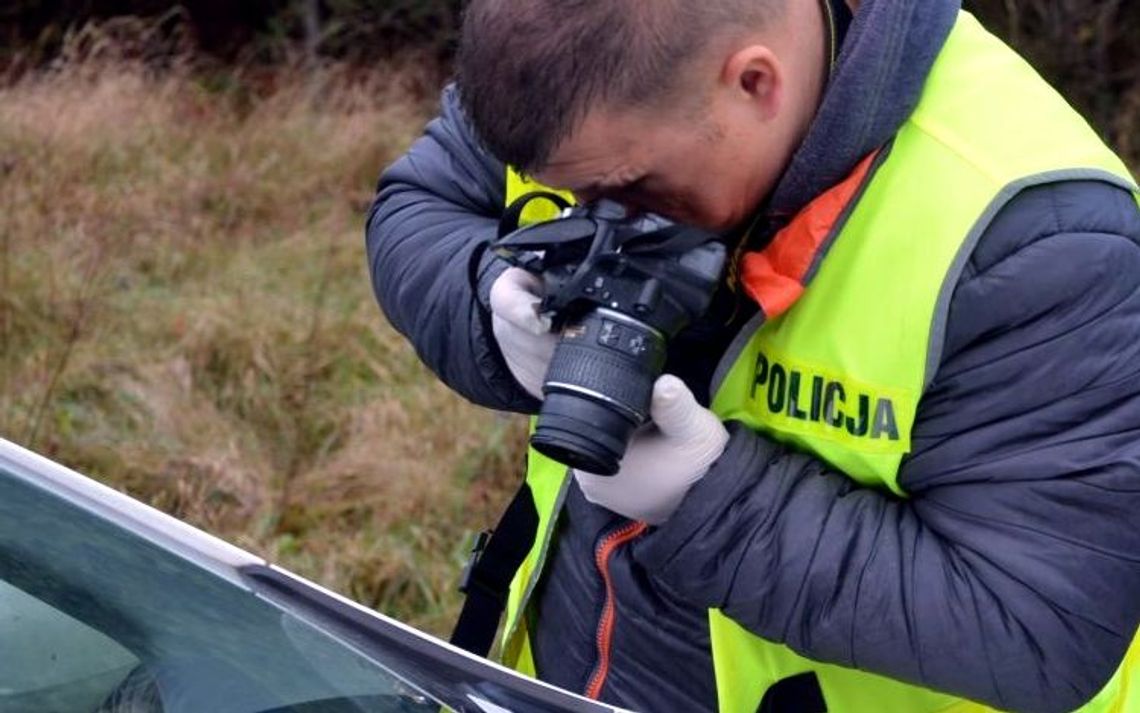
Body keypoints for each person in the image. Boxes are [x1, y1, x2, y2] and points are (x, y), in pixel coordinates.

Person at [365, 0, 1140, 710]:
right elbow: (421, 202)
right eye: (563, 199)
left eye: (631, 192)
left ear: (755, 83)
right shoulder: (570, 66)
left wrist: (710, 503)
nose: (594, 231)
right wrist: (486, 299)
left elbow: (1041, 633)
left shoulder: (1042, 239)